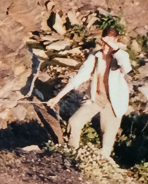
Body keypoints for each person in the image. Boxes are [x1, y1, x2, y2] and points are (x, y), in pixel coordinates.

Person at [45, 27, 132, 158]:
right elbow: (79, 77)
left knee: (107, 139)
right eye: (103, 42)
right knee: (74, 122)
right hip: (95, 98)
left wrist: (115, 48)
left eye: (108, 43)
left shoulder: (120, 56)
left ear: (116, 41)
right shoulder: (95, 56)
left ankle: (102, 166)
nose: (105, 46)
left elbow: (127, 68)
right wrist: (57, 98)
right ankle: (73, 154)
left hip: (113, 103)